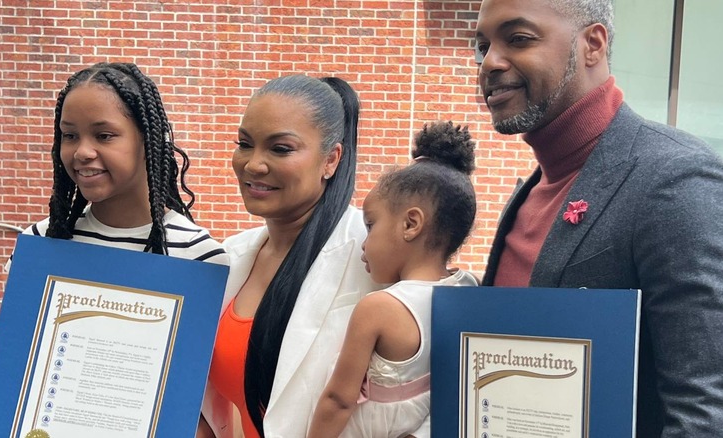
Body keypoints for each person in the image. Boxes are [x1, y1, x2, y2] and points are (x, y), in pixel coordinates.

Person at [475, 0, 723, 436]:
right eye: (482, 46)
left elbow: (705, 409)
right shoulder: (529, 193)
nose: (490, 62)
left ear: (593, 44)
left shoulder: (675, 177)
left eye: (518, 39)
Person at [198, 74, 385, 438]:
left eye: (280, 149)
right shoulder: (229, 257)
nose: (253, 165)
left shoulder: (373, 258)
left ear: (331, 160)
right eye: (244, 144)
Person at [307, 121, 479, 438]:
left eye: (371, 225)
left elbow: (338, 400)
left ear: (411, 224)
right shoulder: (470, 289)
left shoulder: (380, 308)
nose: (363, 242)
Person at [13, 62, 227, 265]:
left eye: (104, 135)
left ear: (148, 140)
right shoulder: (39, 242)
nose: (82, 152)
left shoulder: (200, 256)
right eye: (69, 135)